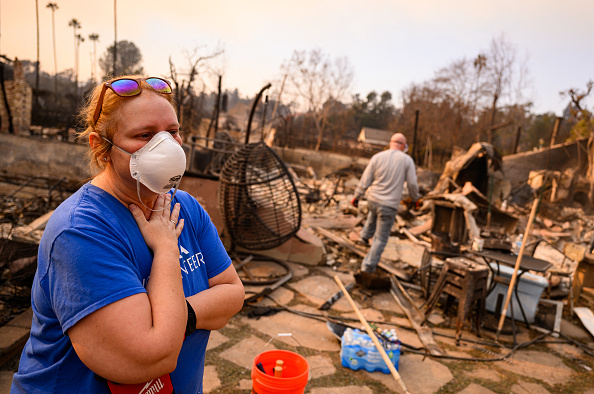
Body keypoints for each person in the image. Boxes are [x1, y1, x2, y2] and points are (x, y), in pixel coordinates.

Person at [11, 75, 245, 393]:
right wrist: (165, 248)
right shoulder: (81, 232)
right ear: (102, 148)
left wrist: (179, 316)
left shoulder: (184, 208)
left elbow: (232, 293)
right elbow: (154, 356)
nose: (166, 145)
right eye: (145, 135)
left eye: (172, 131)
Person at [351, 132, 419, 278]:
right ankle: (368, 267)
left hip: (372, 198)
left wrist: (357, 196)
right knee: (381, 238)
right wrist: (415, 199)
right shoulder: (407, 160)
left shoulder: (377, 157)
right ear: (403, 145)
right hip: (388, 204)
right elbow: (412, 184)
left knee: (373, 213)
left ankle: (364, 236)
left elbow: (365, 178)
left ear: (390, 142)